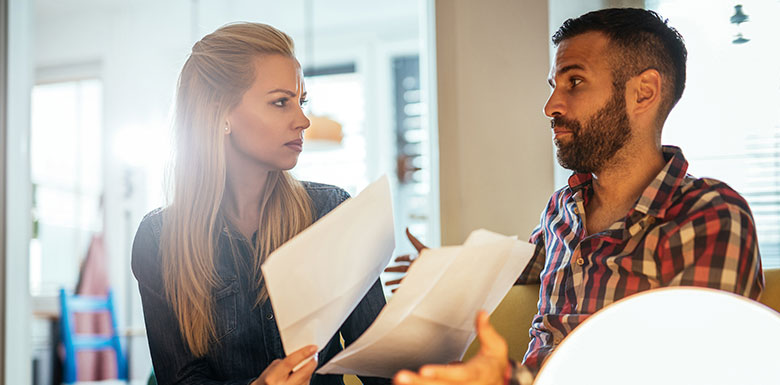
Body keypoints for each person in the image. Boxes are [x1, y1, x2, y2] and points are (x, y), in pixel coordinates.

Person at [392, 8, 764, 385]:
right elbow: (520, 265)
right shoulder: (562, 210)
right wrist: (443, 270)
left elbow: (694, 369)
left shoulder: (708, 215)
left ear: (643, 93)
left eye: (575, 82)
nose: (551, 106)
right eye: (554, 85)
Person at [131, 22, 390, 385]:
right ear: (220, 114)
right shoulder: (158, 239)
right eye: (281, 102)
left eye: (301, 102)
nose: (303, 120)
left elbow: (382, 368)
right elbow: (182, 379)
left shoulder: (332, 213)